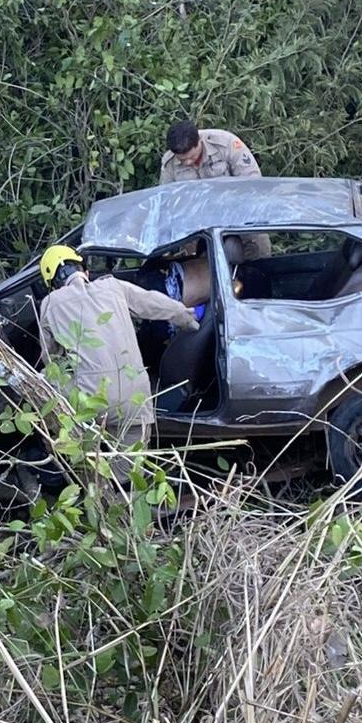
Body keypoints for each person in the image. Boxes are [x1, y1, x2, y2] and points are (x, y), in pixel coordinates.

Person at [37, 246, 199, 481]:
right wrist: (187, 318)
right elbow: (154, 304)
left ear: (51, 282)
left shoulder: (51, 304)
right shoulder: (113, 287)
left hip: (90, 402)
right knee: (128, 476)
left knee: (47, 385)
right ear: (85, 269)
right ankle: (124, 500)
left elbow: (52, 361)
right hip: (133, 399)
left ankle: (84, 479)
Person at [159, 120, 270, 259]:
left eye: (192, 157)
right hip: (199, 229)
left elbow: (253, 184)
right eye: (182, 161)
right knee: (202, 271)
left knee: (259, 260)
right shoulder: (169, 163)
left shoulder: (225, 144)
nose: (188, 163)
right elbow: (167, 202)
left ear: (199, 141)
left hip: (241, 218)